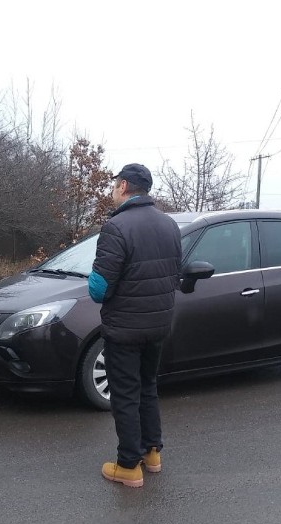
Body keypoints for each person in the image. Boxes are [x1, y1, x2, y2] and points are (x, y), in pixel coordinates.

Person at [88, 163, 182, 487]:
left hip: (124, 329)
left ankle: (129, 465)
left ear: (124, 186)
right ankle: (152, 453)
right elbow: (175, 274)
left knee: (125, 394)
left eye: (115, 185)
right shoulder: (170, 225)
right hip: (158, 325)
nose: (113, 190)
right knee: (148, 387)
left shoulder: (116, 227)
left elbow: (98, 289)